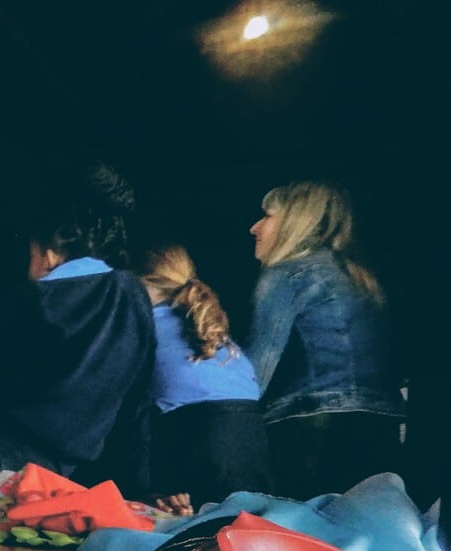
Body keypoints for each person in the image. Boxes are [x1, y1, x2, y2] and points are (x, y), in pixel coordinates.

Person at [0, 161, 157, 506]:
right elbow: (136, 408)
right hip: (63, 485)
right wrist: (142, 491)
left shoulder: (35, 301)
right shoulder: (134, 298)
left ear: (51, 250)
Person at [244, 179, 404, 499]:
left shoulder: (288, 274)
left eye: (267, 215)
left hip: (311, 427)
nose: (254, 227)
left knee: (307, 527)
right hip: (381, 423)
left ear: (295, 221)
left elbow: (255, 373)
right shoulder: (359, 276)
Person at [139, 244, 272, 515]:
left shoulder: (142, 323)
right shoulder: (205, 325)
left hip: (198, 439)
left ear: (142, 284)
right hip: (251, 437)